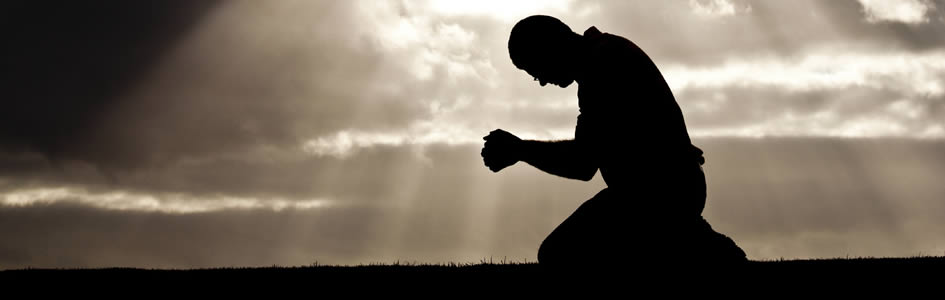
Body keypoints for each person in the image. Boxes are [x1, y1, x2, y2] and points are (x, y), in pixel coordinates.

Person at [481, 15, 746, 268]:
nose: (540, 82)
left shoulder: (603, 65)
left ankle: (699, 244)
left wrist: (519, 149)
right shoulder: (602, 57)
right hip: (661, 190)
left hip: (658, 193)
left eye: (535, 68)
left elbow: (581, 165)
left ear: (549, 49)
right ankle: (693, 239)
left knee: (560, 253)